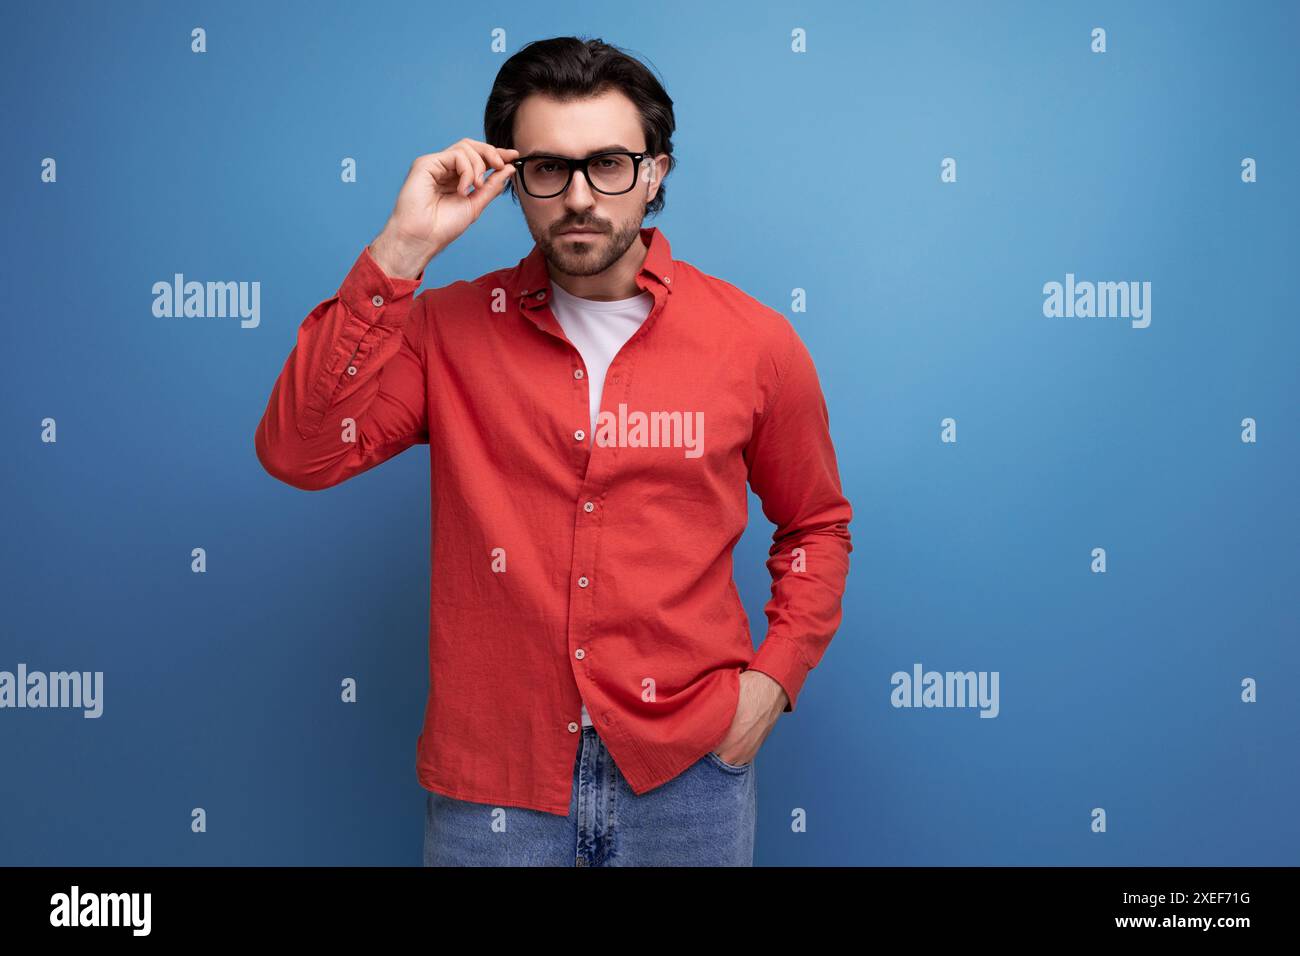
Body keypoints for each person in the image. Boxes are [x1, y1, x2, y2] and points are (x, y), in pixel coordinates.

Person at [254, 36, 852, 866]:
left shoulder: (754, 342)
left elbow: (817, 527)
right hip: (493, 786)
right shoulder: (446, 332)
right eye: (547, 169)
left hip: (688, 778)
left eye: (609, 164)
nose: (578, 197)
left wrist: (769, 686)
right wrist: (402, 248)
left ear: (656, 174)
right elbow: (300, 450)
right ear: (512, 179)